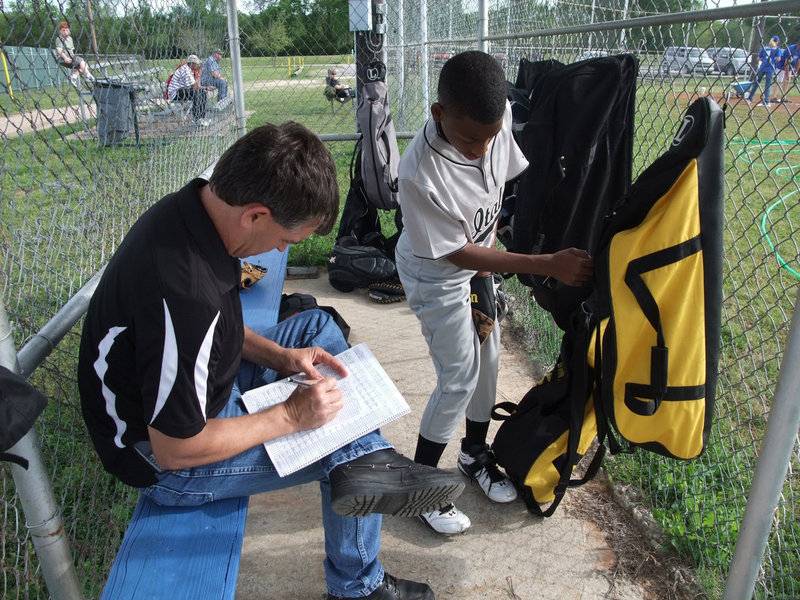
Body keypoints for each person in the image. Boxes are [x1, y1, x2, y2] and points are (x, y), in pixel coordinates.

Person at [77, 122, 465, 600]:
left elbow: (219, 329)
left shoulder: (197, 212)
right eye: (287, 240)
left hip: (194, 392)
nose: (282, 251)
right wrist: (290, 415)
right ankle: (358, 584)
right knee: (340, 445)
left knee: (318, 330)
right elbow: (175, 449)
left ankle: (367, 453)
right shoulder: (185, 292)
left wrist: (281, 356)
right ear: (255, 214)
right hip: (165, 461)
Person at [394, 51, 594, 535]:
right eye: (469, 140)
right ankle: (421, 488)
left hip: (478, 262)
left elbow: (505, 180)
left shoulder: (492, 122)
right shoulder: (420, 172)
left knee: (490, 360)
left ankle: (473, 453)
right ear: (439, 115)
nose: (483, 149)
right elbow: (458, 255)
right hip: (436, 274)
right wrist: (545, 264)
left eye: (490, 136)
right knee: (458, 376)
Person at [167, 54, 209, 126]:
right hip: (175, 93)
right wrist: (199, 74)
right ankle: (197, 118)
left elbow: (195, 86)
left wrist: (205, 88)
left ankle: (202, 117)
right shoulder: (185, 70)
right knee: (196, 93)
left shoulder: (189, 70)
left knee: (203, 92)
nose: (198, 66)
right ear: (191, 64)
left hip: (182, 90)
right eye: (197, 64)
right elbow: (194, 86)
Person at [54, 21, 94, 87]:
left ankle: (74, 76)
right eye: (63, 30)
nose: (65, 32)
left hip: (71, 56)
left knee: (84, 65)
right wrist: (65, 58)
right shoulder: (60, 38)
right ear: (60, 31)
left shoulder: (70, 39)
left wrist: (73, 59)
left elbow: (71, 51)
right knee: (81, 60)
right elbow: (59, 50)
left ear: (69, 30)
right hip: (64, 57)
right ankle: (88, 75)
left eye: (66, 30)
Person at [749, 35, 782, 106]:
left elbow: (758, 58)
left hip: (762, 67)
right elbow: (779, 59)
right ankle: (766, 101)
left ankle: (750, 98)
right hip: (770, 68)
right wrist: (774, 61)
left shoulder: (765, 48)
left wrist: (764, 59)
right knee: (767, 85)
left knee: (756, 83)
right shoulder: (777, 49)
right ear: (776, 42)